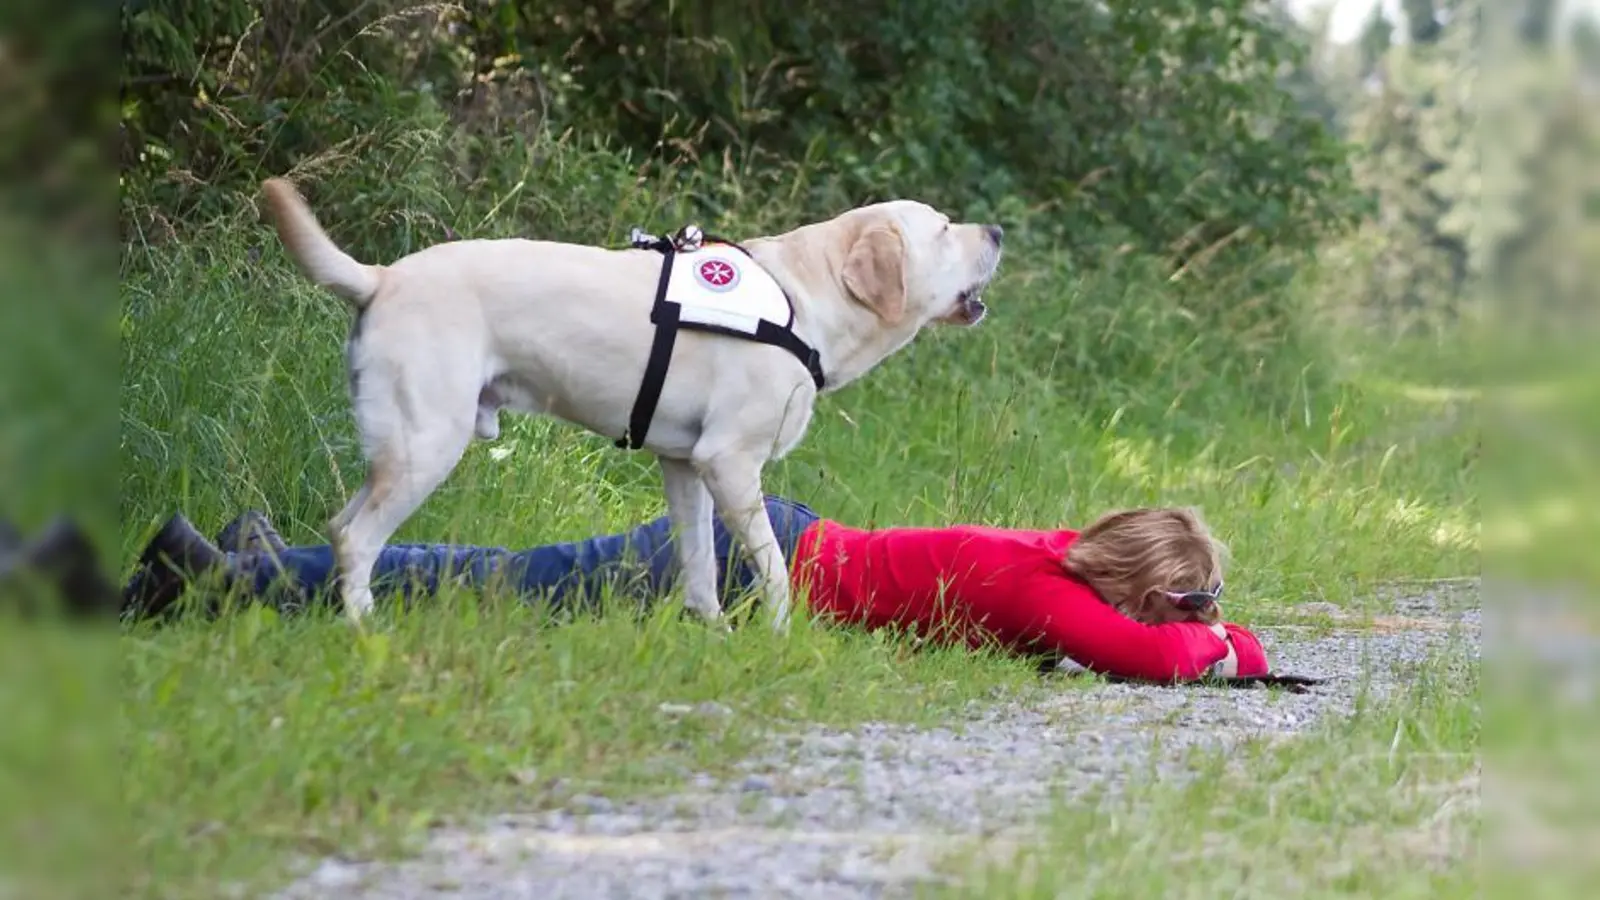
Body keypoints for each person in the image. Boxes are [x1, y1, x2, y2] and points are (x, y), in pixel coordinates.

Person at [123, 496, 1282, 686]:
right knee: (506, 585)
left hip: (764, 547)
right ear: (1135, 586)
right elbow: (1151, 661)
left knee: (510, 580)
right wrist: (1231, 648)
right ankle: (217, 577)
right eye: (1166, 599)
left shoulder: (1050, 554)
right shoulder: (1042, 598)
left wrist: (1203, 613)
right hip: (745, 564)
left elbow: (1126, 631)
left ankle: (260, 568)